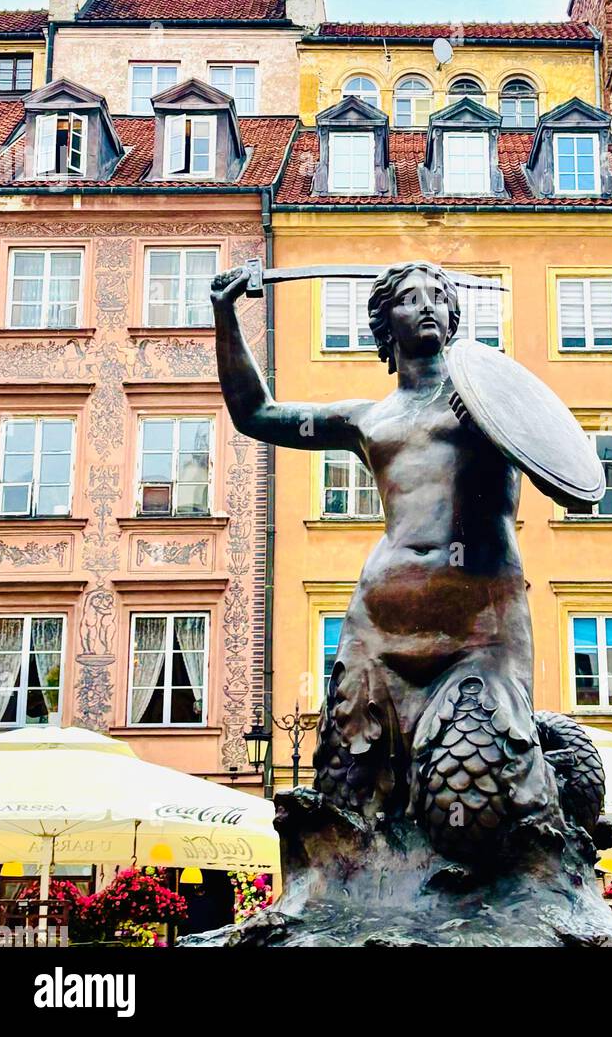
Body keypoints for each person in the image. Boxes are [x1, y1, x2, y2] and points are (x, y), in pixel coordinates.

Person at [211, 261, 571, 861]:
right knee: (345, 802)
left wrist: (499, 428)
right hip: (377, 628)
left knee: (474, 801)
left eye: (438, 296)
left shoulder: (490, 404)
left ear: (455, 318)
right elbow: (257, 415)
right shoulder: (366, 418)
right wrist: (226, 317)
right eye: (408, 298)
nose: (426, 304)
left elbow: (565, 470)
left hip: (477, 626)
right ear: (386, 323)